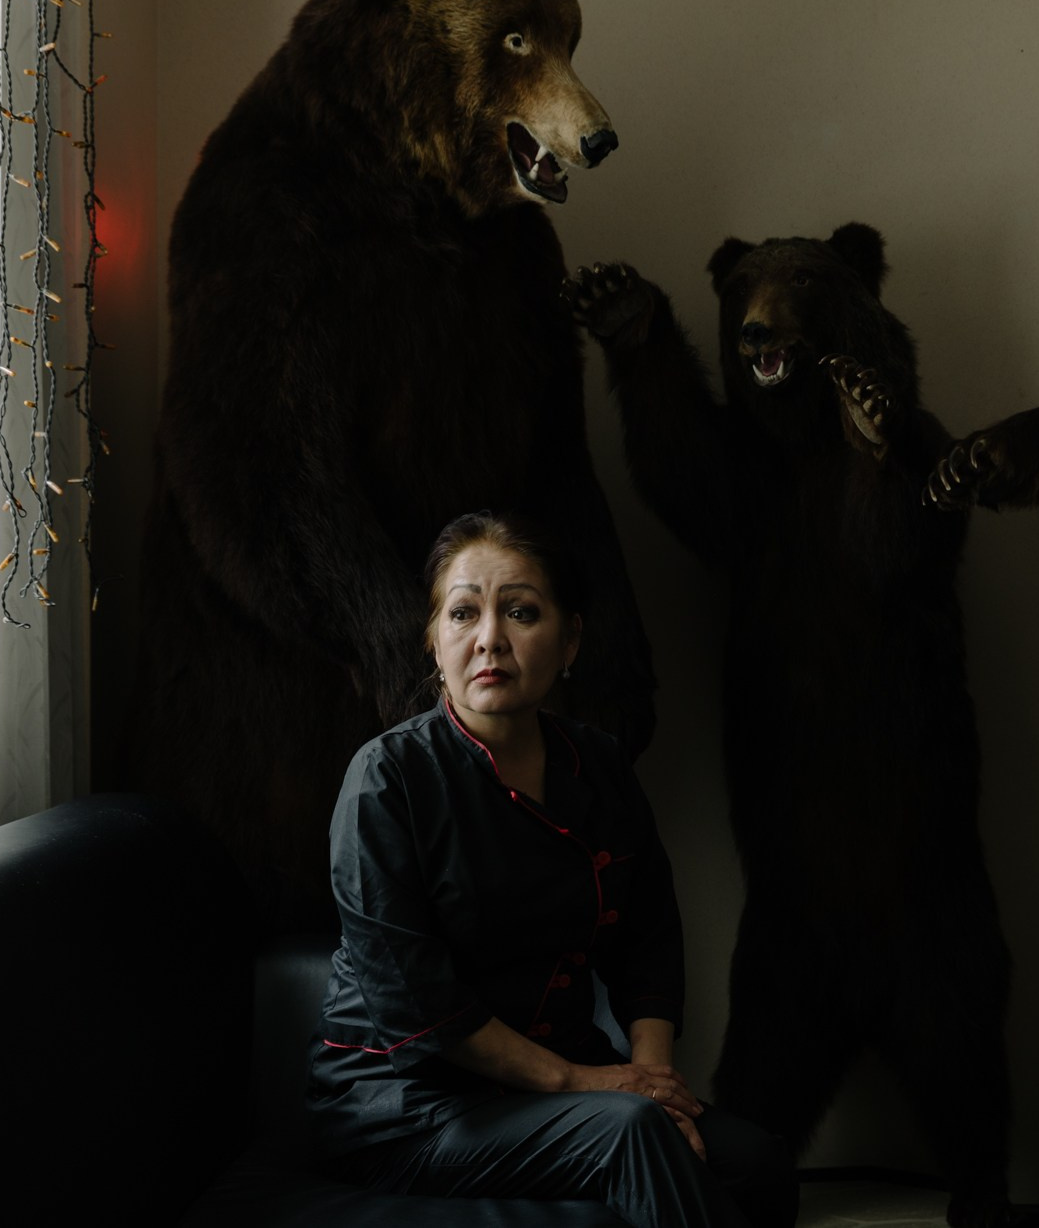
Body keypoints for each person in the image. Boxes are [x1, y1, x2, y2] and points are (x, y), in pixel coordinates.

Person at [309, 512, 796, 1228]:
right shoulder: (387, 780)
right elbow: (421, 1008)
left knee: (756, 1161)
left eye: (521, 612)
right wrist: (600, 1086)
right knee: (631, 1135)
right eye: (464, 612)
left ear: (569, 640)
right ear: (434, 641)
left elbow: (649, 938)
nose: (490, 640)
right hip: (408, 1104)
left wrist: (653, 1083)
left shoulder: (597, 764)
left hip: (560, 1081)